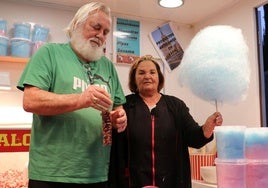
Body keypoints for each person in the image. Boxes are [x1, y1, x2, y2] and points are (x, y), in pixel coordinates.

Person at [17, 2, 127, 188]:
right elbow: (30, 100)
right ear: (77, 24)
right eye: (96, 27)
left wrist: (119, 118)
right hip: (51, 175)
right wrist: (81, 99)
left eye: (106, 32)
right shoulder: (49, 53)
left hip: (97, 174)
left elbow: (118, 107)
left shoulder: (108, 66)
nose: (100, 35)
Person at [108, 55, 223, 188]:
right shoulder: (124, 106)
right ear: (134, 79)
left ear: (159, 78)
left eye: (152, 72)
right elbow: (114, 148)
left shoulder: (176, 106)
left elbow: (194, 138)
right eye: (141, 72)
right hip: (133, 182)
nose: (147, 76)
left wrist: (207, 127)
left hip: (171, 182)